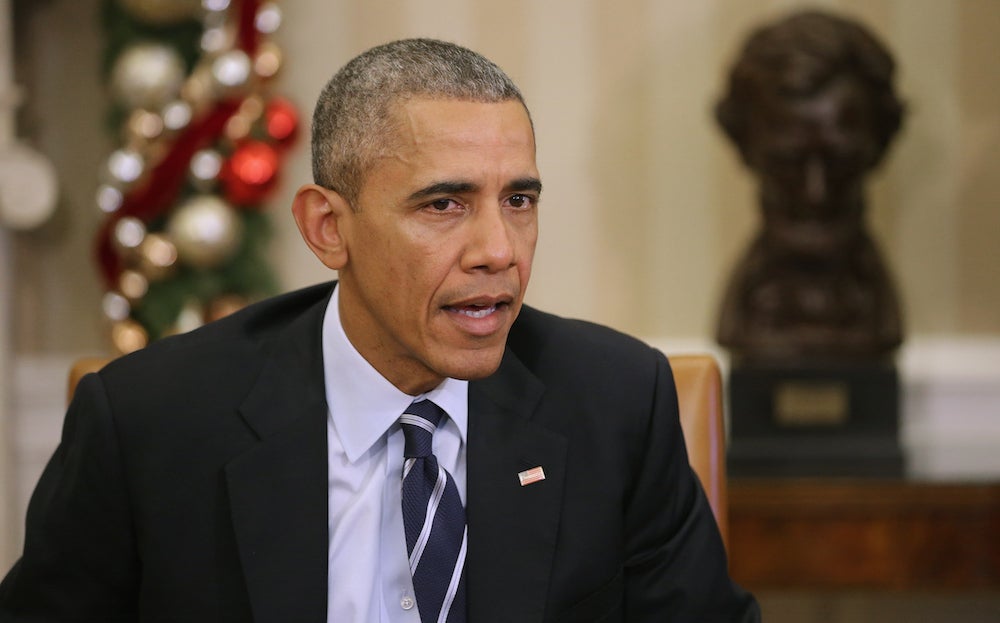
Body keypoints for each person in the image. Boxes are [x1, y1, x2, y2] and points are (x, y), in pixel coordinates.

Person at [0, 38, 759, 622]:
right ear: (329, 228)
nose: (499, 249)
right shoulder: (151, 423)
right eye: (444, 204)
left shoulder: (617, 402)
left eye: (519, 199)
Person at [714, 10, 905, 361]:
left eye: (841, 161)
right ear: (744, 147)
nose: (815, 193)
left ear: (879, 145)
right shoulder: (746, 309)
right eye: (787, 162)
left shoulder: (876, 308)